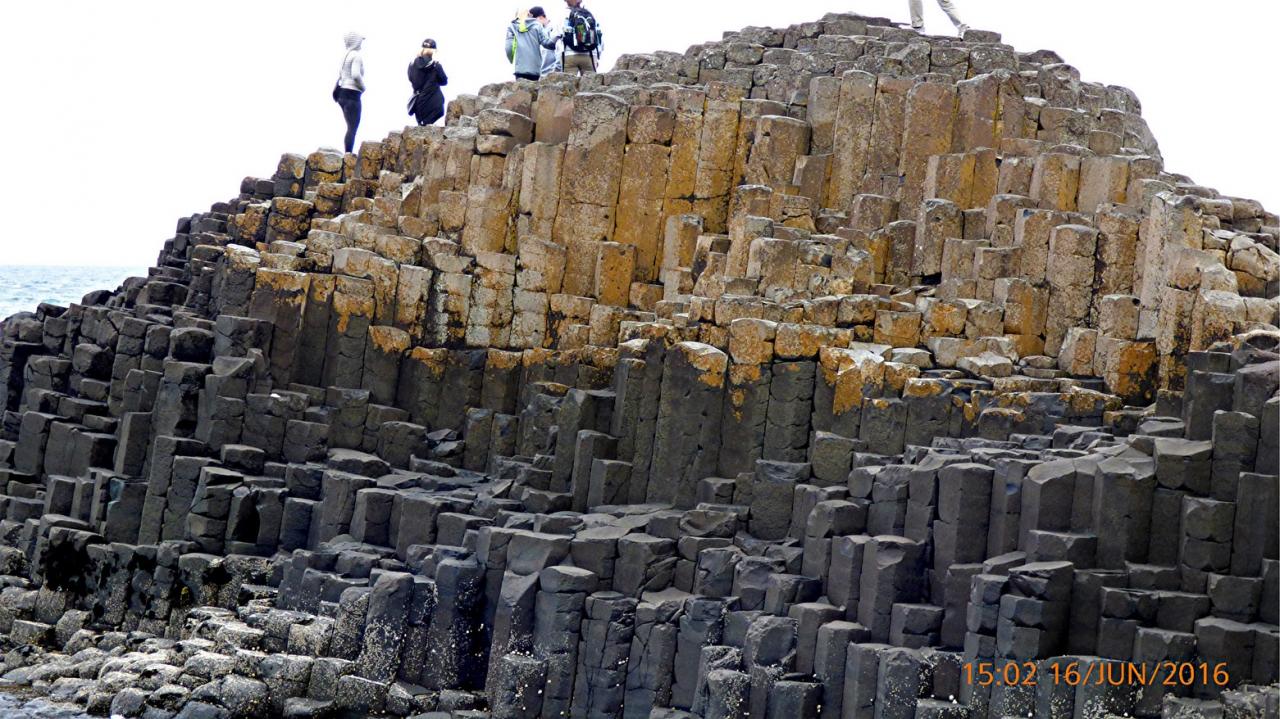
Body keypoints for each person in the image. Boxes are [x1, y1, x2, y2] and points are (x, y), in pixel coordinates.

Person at [334, 32, 366, 153]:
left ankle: (348, 152)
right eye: (360, 40)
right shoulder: (356, 56)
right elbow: (356, 75)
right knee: (352, 127)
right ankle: (348, 154)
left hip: (342, 93)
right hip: (352, 94)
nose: (361, 43)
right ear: (356, 42)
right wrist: (363, 88)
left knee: (350, 126)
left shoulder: (345, 55)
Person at [506, 8, 558, 81]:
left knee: (521, 91)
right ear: (529, 15)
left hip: (520, 69)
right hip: (535, 69)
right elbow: (546, 43)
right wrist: (555, 40)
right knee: (533, 91)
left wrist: (510, 59)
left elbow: (508, 48)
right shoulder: (537, 25)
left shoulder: (512, 27)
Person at [408, 39, 449, 126]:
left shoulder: (412, 64)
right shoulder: (435, 65)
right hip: (433, 104)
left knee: (421, 128)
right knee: (428, 129)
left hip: (418, 104)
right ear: (434, 51)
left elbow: (411, 79)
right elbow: (444, 81)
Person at [561, 0, 602, 76]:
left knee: (569, 83)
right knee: (590, 84)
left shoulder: (564, 14)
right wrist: (598, 55)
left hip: (569, 54)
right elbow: (598, 35)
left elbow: (556, 36)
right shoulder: (589, 14)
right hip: (590, 54)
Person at [533, 7, 562, 77]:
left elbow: (560, 50)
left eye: (534, 22)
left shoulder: (554, 29)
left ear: (540, 17)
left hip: (552, 73)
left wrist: (556, 69)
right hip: (542, 74)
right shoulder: (539, 31)